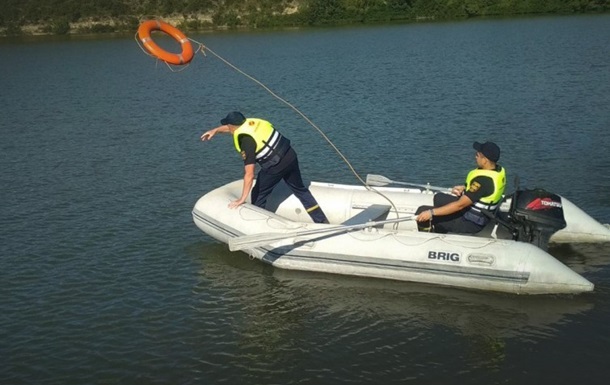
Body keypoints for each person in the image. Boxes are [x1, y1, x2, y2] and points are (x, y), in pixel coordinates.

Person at [200, 111, 329, 224]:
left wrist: (242, 198)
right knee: (300, 190)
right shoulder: (252, 123)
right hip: (290, 156)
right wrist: (215, 131)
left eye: (228, 125)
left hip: (275, 166)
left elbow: (249, 174)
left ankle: (257, 224)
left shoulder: (246, 140)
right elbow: (231, 128)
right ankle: (321, 220)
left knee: (258, 194)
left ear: (232, 126)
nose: (227, 128)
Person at [415, 141, 506, 234]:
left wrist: (431, 213)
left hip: (471, 222)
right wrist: (464, 188)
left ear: (485, 160)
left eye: (477, 155)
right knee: (438, 198)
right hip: (472, 210)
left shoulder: (484, 181)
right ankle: (441, 229)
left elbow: (459, 205)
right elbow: (484, 191)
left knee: (421, 211)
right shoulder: (497, 170)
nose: (475, 157)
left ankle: (430, 238)